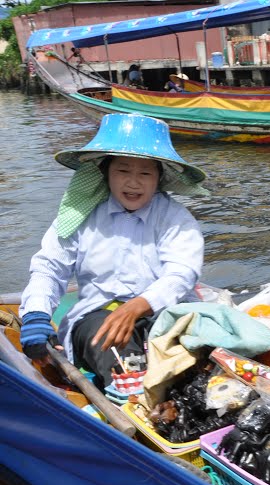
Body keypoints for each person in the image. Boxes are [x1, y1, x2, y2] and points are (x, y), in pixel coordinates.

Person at [18, 113, 209, 389]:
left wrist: (138, 306)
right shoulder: (78, 214)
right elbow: (50, 268)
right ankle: (131, 403)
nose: (133, 182)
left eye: (145, 173)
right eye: (123, 170)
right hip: (98, 317)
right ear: (106, 173)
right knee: (119, 356)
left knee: (198, 363)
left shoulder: (175, 217)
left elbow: (182, 274)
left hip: (164, 314)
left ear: (159, 178)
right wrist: (36, 315)